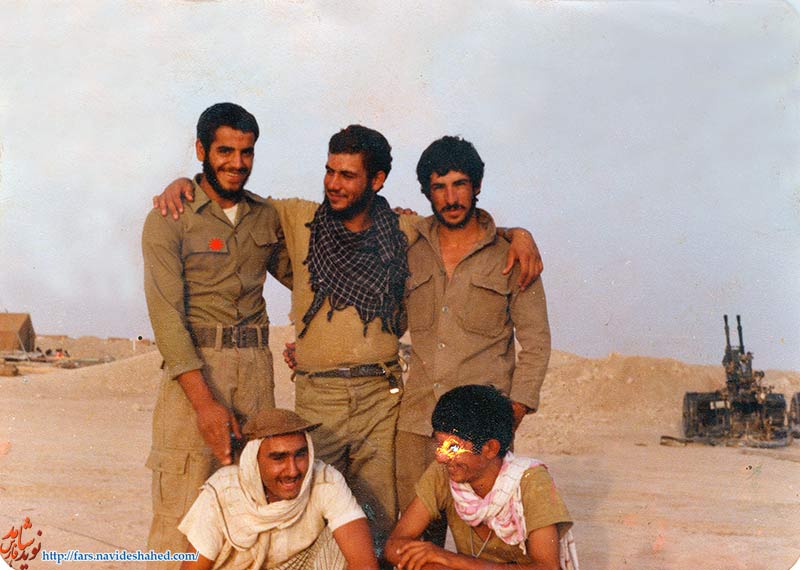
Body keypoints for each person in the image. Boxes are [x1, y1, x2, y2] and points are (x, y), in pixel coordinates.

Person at [152, 125, 541, 559]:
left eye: (348, 175)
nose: (334, 184)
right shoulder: (295, 218)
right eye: (330, 172)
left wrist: (517, 234)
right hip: (318, 398)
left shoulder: (403, 229)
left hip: (381, 399)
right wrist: (187, 183)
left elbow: (460, 226)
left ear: (377, 180)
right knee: (308, 513)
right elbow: (234, 200)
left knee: (379, 519)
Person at [141, 102, 292, 567]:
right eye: (225, 151)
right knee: (182, 515)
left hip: (256, 374)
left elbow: (307, 278)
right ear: (201, 150)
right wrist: (205, 404)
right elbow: (167, 319)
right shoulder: (170, 216)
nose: (237, 163)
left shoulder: (266, 217)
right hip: (194, 374)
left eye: (247, 152)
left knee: (253, 513)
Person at [396, 136, 552, 545]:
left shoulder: (511, 255)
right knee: (416, 541)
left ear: (477, 185)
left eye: (460, 184)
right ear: (427, 192)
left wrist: (512, 412)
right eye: (439, 187)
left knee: (486, 542)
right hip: (417, 425)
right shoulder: (410, 249)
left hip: (479, 431)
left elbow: (536, 343)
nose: (451, 198)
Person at [386, 385, 578, 570]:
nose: (441, 457)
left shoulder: (531, 480)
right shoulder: (443, 473)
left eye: (453, 447)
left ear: (490, 448)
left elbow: (548, 567)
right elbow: (395, 544)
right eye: (439, 445)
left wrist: (453, 560)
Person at [178, 408, 378, 570]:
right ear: (254, 461)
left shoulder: (325, 479)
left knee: (341, 540)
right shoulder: (223, 492)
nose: (293, 471)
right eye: (278, 458)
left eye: (300, 455)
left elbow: (365, 565)